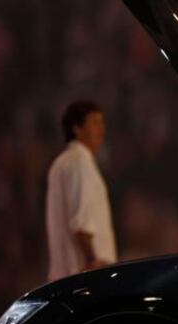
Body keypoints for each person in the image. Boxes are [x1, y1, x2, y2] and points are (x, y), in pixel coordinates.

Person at [45, 100, 117, 281]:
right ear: (77, 128)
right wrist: (91, 259)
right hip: (85, 274)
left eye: (102, 123)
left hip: (66, 275)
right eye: (94, 123)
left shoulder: (61, 163)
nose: (101, 129)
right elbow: (81, 221)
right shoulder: (80, 161)